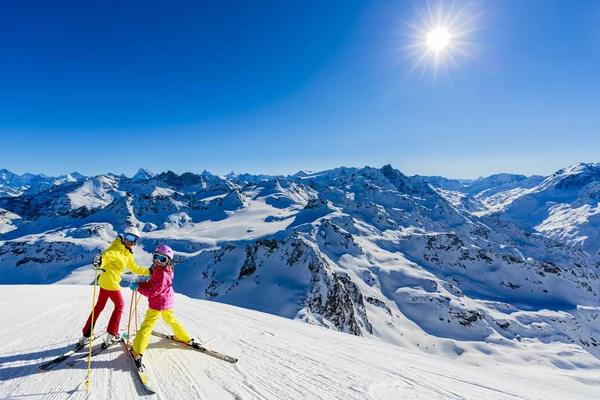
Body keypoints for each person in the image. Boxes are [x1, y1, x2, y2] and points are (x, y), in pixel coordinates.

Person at [80, 226, 151, 347]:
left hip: (104, 282)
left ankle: (85, 336)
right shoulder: (115, 248)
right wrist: (100, 262)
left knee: (99, 306)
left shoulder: (127, 253)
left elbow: (134, 268)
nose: (131, 241)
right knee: (120, 305)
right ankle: (111, 336)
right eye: (129, 237)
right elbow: (106, 257)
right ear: (124, 236)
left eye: (135, 240)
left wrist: (148, 271)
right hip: (111, 283)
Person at [129, 244, 194, 368]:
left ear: (168, 261)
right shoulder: (162, 270)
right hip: (166, 301)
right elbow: (154, 285)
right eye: (156, 257)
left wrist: (139, 288)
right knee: (171, 320)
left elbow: (153, 291)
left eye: (162, 259)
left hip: (158, 304)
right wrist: (142, 284)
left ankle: (137, 351)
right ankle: (184, 338)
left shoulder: (161, 274)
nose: (158, 261)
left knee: (146, 327)